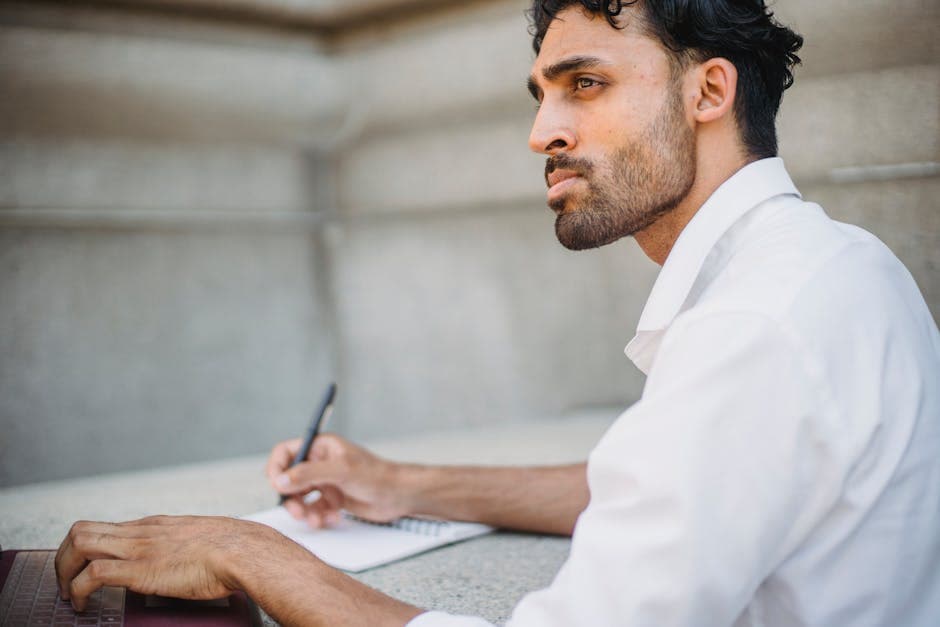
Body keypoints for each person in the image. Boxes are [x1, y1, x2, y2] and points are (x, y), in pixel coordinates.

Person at [55, 1, 940, 625]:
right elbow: (666, 484)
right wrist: (403, 485)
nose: (541, 132)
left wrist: (256, 555)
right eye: (540, 94)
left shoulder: (756, 323)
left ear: (709, 91)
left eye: (584, 84)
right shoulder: (831, 265)